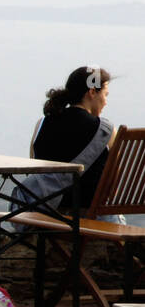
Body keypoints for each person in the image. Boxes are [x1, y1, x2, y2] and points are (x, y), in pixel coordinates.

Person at [19, 65, 114, 211]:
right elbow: (114, 179)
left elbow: (34, 165)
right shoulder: (105, 130)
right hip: (90, 216)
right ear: (92, 92)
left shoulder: (42, 124)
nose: (106, 102)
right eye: (105, 95)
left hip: (48, 214)